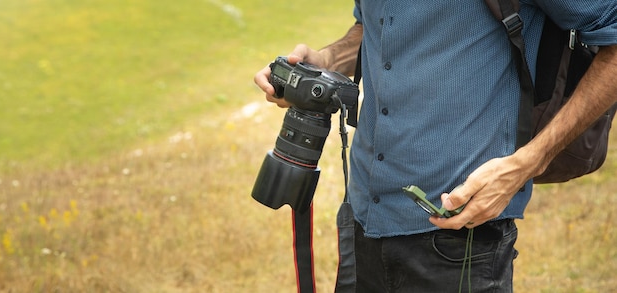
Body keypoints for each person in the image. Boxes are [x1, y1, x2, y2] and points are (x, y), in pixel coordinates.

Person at [254, 1, 617, 292]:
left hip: (458, 232)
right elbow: (371, 28)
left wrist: (528, 162)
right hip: (362, 216)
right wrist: (327, 60)